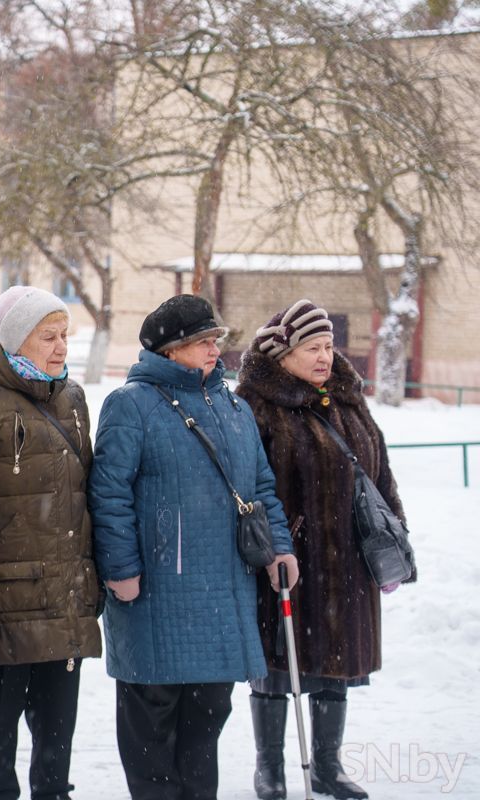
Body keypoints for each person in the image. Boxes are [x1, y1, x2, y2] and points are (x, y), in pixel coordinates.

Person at [88, 294, 298, 800]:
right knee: (152, 721)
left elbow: (261, 487)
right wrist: (120, 569)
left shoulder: (234, 407)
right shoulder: (130, 404)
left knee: (207, 718)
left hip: (222, 590)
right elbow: (109, 493)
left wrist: (279, 548)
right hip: (155, 591)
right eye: (203, 341)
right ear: (169, 349)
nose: (214, 350)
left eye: (215, 340)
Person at [237, 300, 412, 800]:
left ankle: (327, 767)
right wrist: (272, 542)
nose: (324, 357)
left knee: (338, 660)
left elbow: (378, 471)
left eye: (329, 346)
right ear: (283, 354)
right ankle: (270, 768)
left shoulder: (347, 399)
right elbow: (248, 484)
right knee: (279, 664)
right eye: (312, 347)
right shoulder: (256, 405)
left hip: (348, 559)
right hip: (287, 559)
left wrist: (393, 527)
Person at [0, 285, 102, 800]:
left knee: (57, 737)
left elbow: (85, 497)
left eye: (65, 336)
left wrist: (90, 578)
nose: (61, 347)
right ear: (16, 340)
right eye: (48, 336)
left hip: (63, 597)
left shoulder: (72, 399)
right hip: (2, 601)